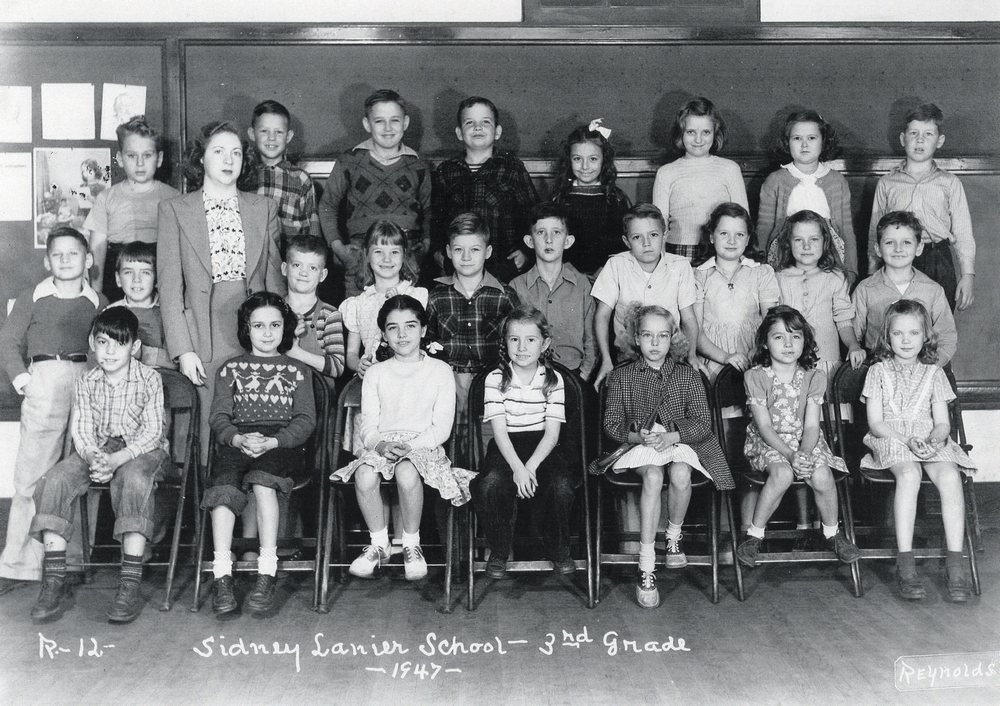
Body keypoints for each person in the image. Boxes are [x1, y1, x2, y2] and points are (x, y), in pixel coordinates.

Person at [28, 307, 169, 624]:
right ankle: (54, 580)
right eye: (103, 342)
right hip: (99, 449)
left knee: (134, 480)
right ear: (93, 343)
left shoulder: (150, 378)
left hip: (142, 451)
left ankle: (129, 585)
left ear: (134, 347)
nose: (109, 351)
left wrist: (118, 459)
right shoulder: (87, 381)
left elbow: (152, 432)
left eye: (119, 344)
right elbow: (81, 429)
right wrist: (94, 457)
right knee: (56, 479)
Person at [158, 120, 284, 464]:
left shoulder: (264, 207)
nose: (229, 160)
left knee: (257, 422)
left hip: (255, 326)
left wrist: (279, 337)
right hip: (202, 330)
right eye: (218, 152)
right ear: (201, 158)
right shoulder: (174, 209)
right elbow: (169, 288)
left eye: (236, 153)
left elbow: (274, 281)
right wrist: (183, 350)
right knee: (208, 429)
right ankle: (207, 497)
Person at [602, 305, 734, 608]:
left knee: (681, 472)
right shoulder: (621, 376)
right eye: (647, 335)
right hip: (639, 446)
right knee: (653, 475)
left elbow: (703, 423)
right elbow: (611, 424)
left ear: (672, 338)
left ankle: (673, 536)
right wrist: (638, 436)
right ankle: (646, 566)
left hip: (677, 441)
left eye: (662, 336)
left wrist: (672, 436)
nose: (655, 342)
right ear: (636, 338)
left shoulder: (687, 375)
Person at [333, 295, 473, 580]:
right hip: (384, 445)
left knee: (406, 472)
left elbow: (441, 428)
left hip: (423, 446)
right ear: (384, 335)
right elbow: (368, 427)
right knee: (364, 474)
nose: (402, 334)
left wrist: (411, 446)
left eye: (410, 326)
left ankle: (411, 543)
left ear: (423, 330)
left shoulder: (440, 371)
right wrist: (381, 444)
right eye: (393, 328)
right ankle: (379, 544)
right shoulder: (376, 373)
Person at [0, 227, 106, 596]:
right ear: (47, 261)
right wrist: (25, 381)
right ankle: (21, 563)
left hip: (87, 379)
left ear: (88, 260)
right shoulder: (32, 297)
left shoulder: (98, 302)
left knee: (78, 471)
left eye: (73, 253)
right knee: (32, 474)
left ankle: (73, 560)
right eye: (57, 254)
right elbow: (8, 341)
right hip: (44, 380)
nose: (65, 260)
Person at [203, 292, 316, 616]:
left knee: (263, 483)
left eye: (275, 325)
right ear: (246, 329)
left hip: (281, 444)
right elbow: (219, 416)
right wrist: (237, 438)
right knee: (223, 487)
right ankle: (222, 574)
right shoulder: (230, 369)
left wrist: (275, 441)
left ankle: (267, 571)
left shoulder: (298, 370)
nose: (267, 333)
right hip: (240, 440)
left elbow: (305, 420)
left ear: (285, 328)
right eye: (259, 325)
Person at [860, 299, 976, 602]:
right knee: (909, 474)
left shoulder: (934, 373)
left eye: (914, 333)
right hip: (892, 438)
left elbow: (942, 423)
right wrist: (906, 440)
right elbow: (876, 423)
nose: (906, 340)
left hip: (928, 439)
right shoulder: (878, 371)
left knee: (950, 476)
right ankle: (906, 563)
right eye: (898, 333)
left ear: (925, 336)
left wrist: (934, 440)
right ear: (887, 337)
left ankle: (955, 564)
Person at [735, 306, 861, 569]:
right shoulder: (756, 377)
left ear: (806, 341)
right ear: (765, 343)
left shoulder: (814, 377)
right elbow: (764, 426)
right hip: (769, 442)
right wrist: (790, 455)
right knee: (782, 474)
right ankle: (755, 535)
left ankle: (832, 533)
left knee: (822, 475)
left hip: (806, 441)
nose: (788, 344)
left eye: (795, 336)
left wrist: (803, 452)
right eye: (779, 337)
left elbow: (812, 426)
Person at [471, 306, 576, 579]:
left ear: (545, 344)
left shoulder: (553, 380)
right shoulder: (495, 379)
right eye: (514, 339)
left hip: (543, 447)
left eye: (530, 340)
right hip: (506, 446)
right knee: (490, 484)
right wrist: (518, 469)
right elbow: (499, 433)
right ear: (505, 342)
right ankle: (499, 549)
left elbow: (552, 435)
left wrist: (530, 468)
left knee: (561, 486)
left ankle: (558, 548)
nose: (521, 347)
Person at [319, 89, 432, 297]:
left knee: (404, 313)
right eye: (379, 121)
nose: (388, 128)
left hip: (406, 254)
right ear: (367, 124)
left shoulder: (418, 164)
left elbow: (429, 210)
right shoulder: (349, 161)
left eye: (395, 120)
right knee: (360, 313)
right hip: (360, 255)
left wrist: (424, 246)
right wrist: (338, 248)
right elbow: (328, 206)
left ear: (405, 123)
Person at [868, 104, 975, 310]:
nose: (920, 140)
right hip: (897, 259)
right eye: (914, 133)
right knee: (896, 320)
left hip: (938, 260)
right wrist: (872, 272)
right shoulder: (887, 183)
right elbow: (875, 232)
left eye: (928, 134)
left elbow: (963, 233)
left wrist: (967, 275)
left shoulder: (950, 183)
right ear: (903, 139)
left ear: (940, 141)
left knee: (937, 321)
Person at [426, 212, 520, 445]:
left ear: (488, 252)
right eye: (459, 250)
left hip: (493, 385)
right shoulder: (436, 296)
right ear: (448, 252)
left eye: (475, 249)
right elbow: (426, 342)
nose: (466, 257)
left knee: (488, 444)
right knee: (452, 444)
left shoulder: (504, 295)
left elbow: (517, 343)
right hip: (449, 386)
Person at [592, 203, 702, 387]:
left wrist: (691, 355)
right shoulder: (616, 265)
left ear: (665, 235)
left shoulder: (680, 266)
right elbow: (602, 315)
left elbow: (689, 318)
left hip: (671, 357)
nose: (646, 243)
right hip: (627, 358)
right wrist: (606, 360)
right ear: (627, 241)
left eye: (653, 235)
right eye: (637, 237)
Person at [431, 96, 537, 283]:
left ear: (497, 132)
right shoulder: (446, 171)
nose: (477, 128)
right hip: (458, 266)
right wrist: (438, 253)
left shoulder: (512, 168)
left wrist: (526, 251)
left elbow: (533, 213)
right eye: (469, 122)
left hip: (504, 265)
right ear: (459, 133)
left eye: (485, 122)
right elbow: (436, 219)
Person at [84, 117, 179, 300]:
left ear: (159, 159)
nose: (140, 163)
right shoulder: (106, 198)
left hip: (159, 276)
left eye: (147, 155)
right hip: (118, 276)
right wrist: (97, 297)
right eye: (132, 156)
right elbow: (97, 251)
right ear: (120, 159)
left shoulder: (174, 197)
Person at [757, 110, 857, 281]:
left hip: (828, 262)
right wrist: (759, 268)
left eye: (811, 138)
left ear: (823, 141)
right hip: (784, 260)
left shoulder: (837, 181)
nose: (804, 144)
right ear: (787, 142)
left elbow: (846, 230)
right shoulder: (775, 181)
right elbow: (764, 228)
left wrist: (851, 270)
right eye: (797, 138)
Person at [774, 210, 866, 385]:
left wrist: (853, 345)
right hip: (789, 364)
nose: (806, 246)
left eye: (814, 239)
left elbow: (844, 320)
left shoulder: (835, 277)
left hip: (826, 361)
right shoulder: (778, 278)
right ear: (788, 243)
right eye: (798, 240)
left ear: (825, 241)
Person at [853, 211, 957, 366]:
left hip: (923, 367)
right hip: (877, 367)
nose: (898, 249)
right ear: (878, 249)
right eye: (889, 242)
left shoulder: (933, 290)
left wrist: (931, 369)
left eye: (906, 242)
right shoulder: (865, 289)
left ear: (919, 248)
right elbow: (853, 333)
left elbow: (947, 337)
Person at [652, 97, 748, 260]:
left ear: (715, 133)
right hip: (677, 251)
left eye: (706, 132)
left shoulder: (730, 169)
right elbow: (658, 225)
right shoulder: (666, 173)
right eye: (691, 132)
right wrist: (662, 262)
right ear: (680, 133)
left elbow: (743, 219)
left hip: (720, 249)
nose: (698, 139)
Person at [692, 202, 779, 381]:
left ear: (747, 239)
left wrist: (756, 351)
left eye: (739, 234)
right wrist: (725, 357)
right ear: (711, 237)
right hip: (713, 358)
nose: (732, 241)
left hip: (755, 357)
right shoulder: (698, 275)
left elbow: (771, 322)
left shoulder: (761, 273)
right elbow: (695, 331)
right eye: (724, 233)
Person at [510, 202, 595, 381]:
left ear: (568, 241)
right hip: (527, 376)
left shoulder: (582, 285)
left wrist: (583, 376)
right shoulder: (516, 286)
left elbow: (591, 339)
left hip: (574, 374)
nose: (549, 240)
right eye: (541, 232)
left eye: (556, 232)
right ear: (529, 241)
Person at [342, 220, 428, 377]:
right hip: (374, 376)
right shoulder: (358, 303)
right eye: (378, 252)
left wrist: (399, 305)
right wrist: (358, 365)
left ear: (404, 254)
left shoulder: (417, 296)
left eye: (394, 252)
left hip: (410, 375)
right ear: (367, 254)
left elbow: (422, 341)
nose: (387, 259)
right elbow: (351, 354)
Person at [549, 121, 631, 276]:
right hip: (565, 275)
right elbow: (551, 239)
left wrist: (603, 270)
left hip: (607, 275)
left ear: (604, 160)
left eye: (593, 159)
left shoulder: (616, 198)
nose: (585, 166)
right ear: (569, 160)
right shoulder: (559, 198)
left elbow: (622, 242)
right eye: (577, 159)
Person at [246, 100, 320, 249]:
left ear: (288, 136)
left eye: (278, 132)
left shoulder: (301, 179)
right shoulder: (243, 174)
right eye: (264, 131)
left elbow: (311, 230)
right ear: (252, 134)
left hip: (288, 257)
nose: (271, 138)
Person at [281, 234, 345, 379]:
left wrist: (296, 353)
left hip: (319, 392)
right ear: (285, 268)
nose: (304, 273)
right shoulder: (273, 311)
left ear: (322, 275)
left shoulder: (330, 314)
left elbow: (337, 367)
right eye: (297, 265)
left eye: (312, 268)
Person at [106, 241, 173, 369]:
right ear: (118, 279)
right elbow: (95, 356)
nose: (136, 279)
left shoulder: (167, 313)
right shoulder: (109, 313)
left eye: (145, 272)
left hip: (161, 376)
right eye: (128, 272)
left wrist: (142, 352)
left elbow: (176, 360)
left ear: (156, 279)